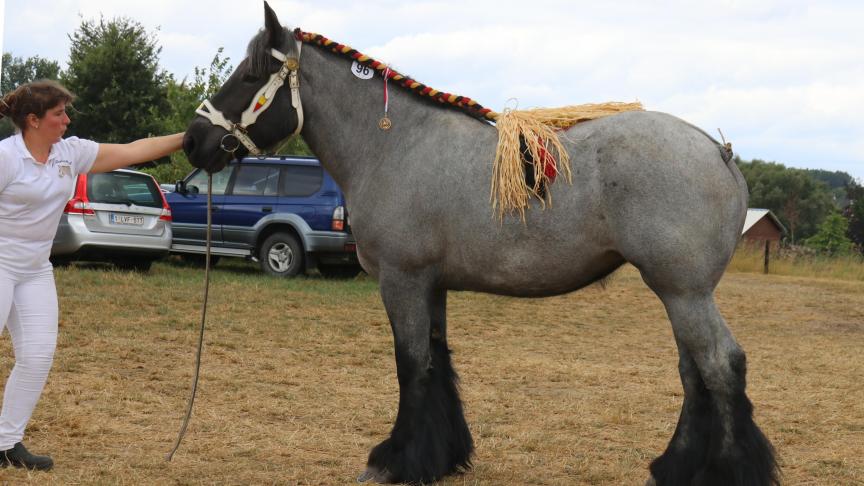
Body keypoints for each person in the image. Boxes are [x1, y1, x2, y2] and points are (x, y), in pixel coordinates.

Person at [0, 80, 184, 471]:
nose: (67, 120)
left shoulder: (69, 153)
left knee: (37, 356)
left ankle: (6, 443)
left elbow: (134, 150)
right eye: (58, 114)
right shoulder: (6, 158)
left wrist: (190, 137)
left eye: (67, 113)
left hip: (35, 270)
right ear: (33, 121)